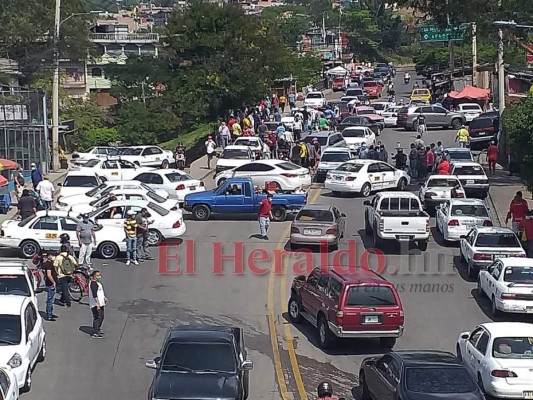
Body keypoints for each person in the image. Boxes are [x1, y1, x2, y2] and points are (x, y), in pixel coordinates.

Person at [89, 270, 107, 339]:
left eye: (99, 275)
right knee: (97, 317)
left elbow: (100, 292)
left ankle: (98, 329)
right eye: (97, 275)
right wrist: (97, 303)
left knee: (101, 316)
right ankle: (95, 332)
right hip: (96, 304)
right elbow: (94, 294)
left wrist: (104, 298)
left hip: (100, 303)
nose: (99, 277)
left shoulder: (97, 283)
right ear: (93, 276)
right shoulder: (93, 283)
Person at [42, 252, 57, 321]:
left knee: (51, 299)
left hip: (50, 283)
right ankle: (49, 315)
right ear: (48, 256)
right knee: (50, 300)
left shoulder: (49, 264)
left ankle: (50, 312)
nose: (53, 256)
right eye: (52, 255)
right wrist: (53, 282)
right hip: (50, 284)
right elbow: (49, 275)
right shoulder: (49, 265)